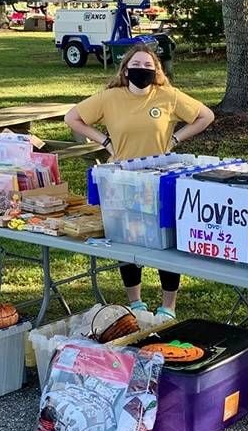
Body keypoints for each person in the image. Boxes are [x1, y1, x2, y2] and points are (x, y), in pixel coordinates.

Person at [65, 44, 216, 319]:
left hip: (158, 178)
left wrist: (176, 139)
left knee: (165, 240)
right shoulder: (110, 98)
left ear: (157, 71)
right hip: (122, 178)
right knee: (128, 238)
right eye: (137, 65)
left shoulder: (168, 96)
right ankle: (135, 302)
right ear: (125, 69)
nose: (142, 70)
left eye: (149, 66)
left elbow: (206, 115)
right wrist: (104, 141)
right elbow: (72, 117)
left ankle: (168, 305)